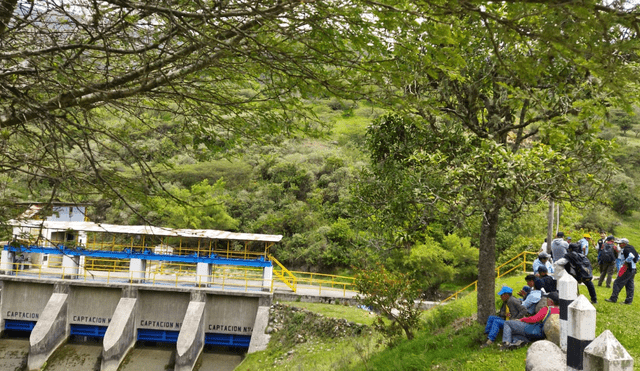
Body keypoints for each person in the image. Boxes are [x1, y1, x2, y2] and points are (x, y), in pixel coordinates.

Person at [606, 238, 638, 305]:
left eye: (620, 243)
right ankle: (628, 301)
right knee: (629, 285)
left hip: (627, 269)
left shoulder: (626, 249)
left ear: (624, 244)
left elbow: (631, 256)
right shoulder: (631, 248)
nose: (619, 245)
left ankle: (613, 298)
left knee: (617, 283)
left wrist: (626, 262)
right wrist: (633, 262)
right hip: (633, 268)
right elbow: (638, 257)